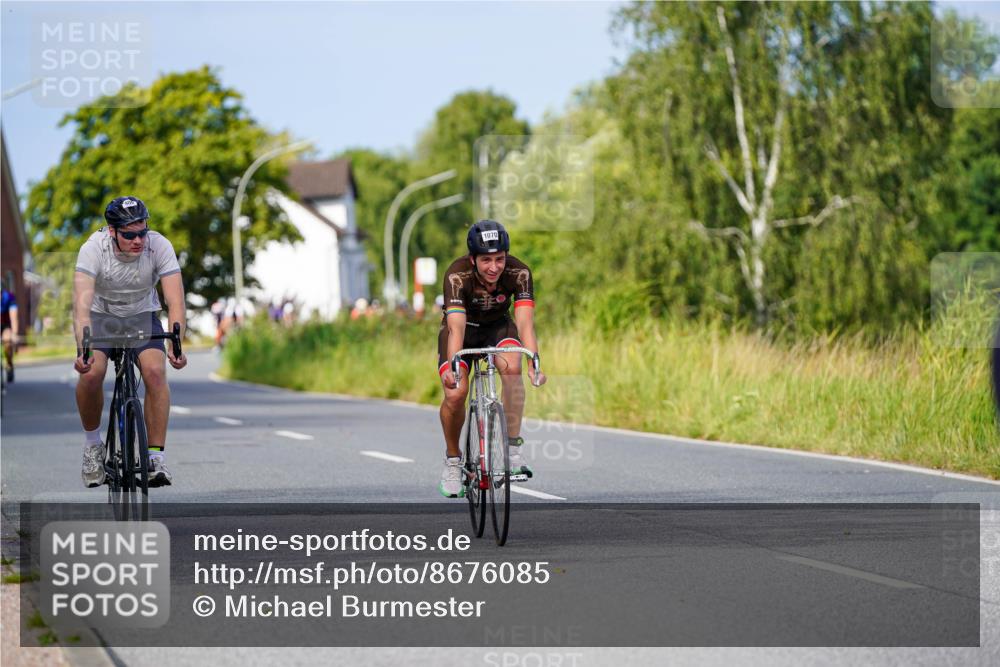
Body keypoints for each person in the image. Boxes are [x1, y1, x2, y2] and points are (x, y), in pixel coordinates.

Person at [73, 196, 187, 488]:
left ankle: (154, 458)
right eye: (129, 235)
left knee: (155, 372)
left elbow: (175, 300)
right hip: (102, 316)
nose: (138, 240)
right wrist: (83, 350)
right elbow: (81, 307)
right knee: (91, 374)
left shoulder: (159, 245)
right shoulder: (92, 249)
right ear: (112, 231)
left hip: (141, 315)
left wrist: (176, 342)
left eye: (142, 232)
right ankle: (92, 447)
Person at [437, 220, 546, 498]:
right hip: (463, 332)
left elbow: (525, 325)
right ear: (473, 260)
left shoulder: (519, 272)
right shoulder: (456, 275)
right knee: (455, 392)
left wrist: (534, 360)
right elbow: (456, 328)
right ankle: (453, 461)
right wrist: (454, 367)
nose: (494, 267)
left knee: (512, 368)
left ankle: (513, 449)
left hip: (499, 327)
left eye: (500, 259)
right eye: (486, 260)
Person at [1, 279, 18, 383]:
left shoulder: (9, 298)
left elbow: (13, 317)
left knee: (7, 340)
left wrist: (14, 334)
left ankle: (9, 364)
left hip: (6, 325)